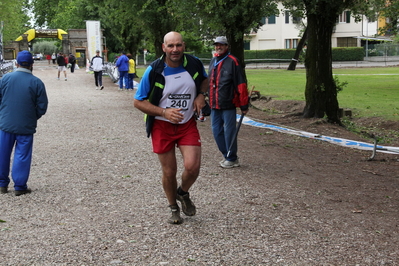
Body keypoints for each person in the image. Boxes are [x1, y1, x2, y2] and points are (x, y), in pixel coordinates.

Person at [134, 31, 208, 224]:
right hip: (162, 126)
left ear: (184, 45)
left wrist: (201, 95)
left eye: (178, 45)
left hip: (186, 124)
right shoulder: (155, 70)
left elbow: (205, 80)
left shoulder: (194, 63)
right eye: (171, 46)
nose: (175, 50)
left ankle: (182, 193)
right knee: (169, 171)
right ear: (163, 47)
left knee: (193, 167)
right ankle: (173, 207)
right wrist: (164, 112)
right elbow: (138, 102)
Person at [0, 50, 48, 196]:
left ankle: (2, 184)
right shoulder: (37, 82)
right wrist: (32, 117)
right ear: (32, 65)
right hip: (26, 126)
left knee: (2, 153)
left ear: (16, 63)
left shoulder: (5, 78)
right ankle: (19, 187)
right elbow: (42, 106)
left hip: (5, 124)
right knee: (22, 155)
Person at [208, 36, 249, 169]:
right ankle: (228, 155)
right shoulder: (213, 60)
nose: (218, 47)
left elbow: (241, 84)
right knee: (216, 131)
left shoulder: (233, 61)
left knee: (229, 131)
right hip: (214, 104)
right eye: (217, 45)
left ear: (226, 46)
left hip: (228, 104)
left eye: (221, 45)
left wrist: (244, 104)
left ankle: (231, 157)